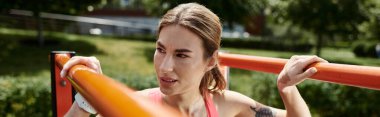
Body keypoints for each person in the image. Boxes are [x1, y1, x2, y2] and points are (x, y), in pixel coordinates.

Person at [62, 3, 327, 117]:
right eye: (161, 49)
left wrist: (286, 87)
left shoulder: (226, 104)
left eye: (181, 55)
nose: (165, 66)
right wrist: (88, 94)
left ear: (211, 60)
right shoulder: (136, 105)